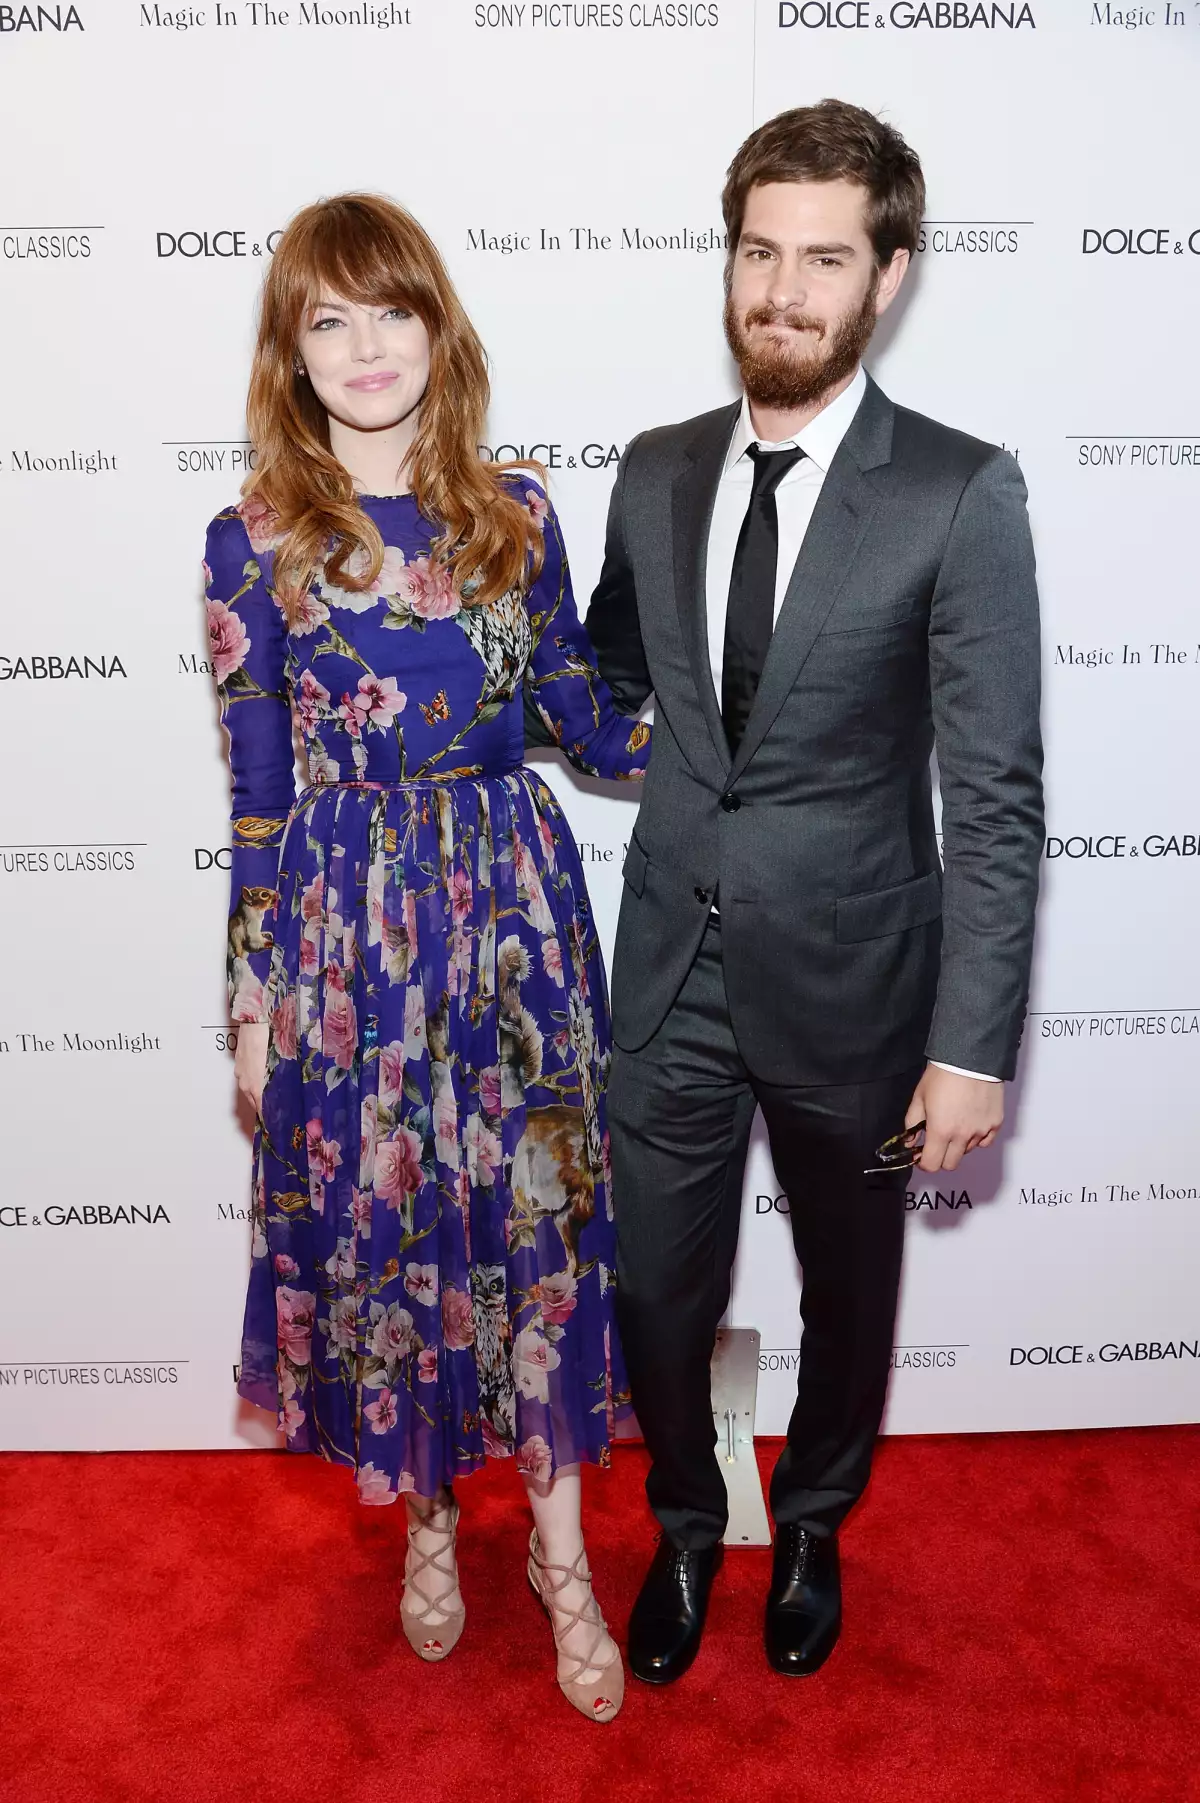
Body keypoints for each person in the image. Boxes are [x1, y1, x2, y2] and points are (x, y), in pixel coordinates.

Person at [582, 100, 1044, 1683]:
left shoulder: (958, 493)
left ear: (889, 277)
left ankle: (823, 1514)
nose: (782, 289)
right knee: (652, 1283)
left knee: (851, 1288)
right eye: (759, 251)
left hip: (860, 984)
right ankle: (692, 1520)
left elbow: (992, 792)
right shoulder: (651, 473)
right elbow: (614, 678)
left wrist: (972, 1044)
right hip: (666, 977)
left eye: (825, 259)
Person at [207, 192, 649, 1723]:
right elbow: (258, 795)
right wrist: (251, 1005)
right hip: (348, 939)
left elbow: (586, 722)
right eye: (328, 318)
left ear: (436, 327)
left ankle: (566, 1555)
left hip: (512, 921)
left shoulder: (513, 513)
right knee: (401, 1242)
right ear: (293, 350)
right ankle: (434, 1524)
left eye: (388, 309)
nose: (365, 344)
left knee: (531, 1230)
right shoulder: (253, 535)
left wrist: (757, 739)